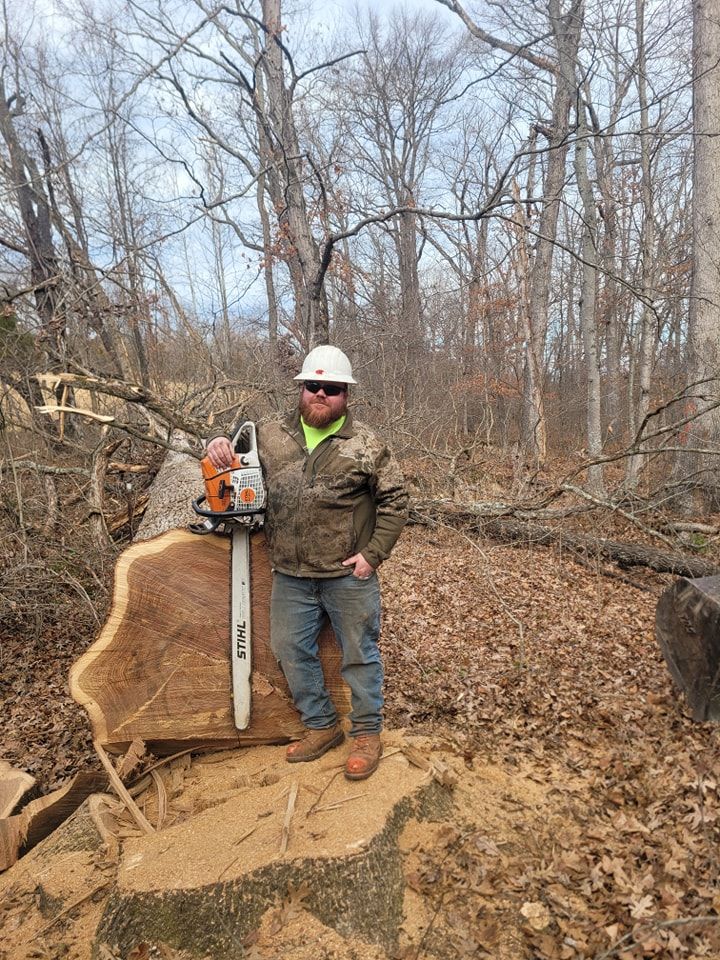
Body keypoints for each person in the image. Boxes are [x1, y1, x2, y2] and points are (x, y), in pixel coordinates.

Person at [206, 345, 408, 780]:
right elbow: (232, 458)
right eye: (313, 386)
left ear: (346, 395)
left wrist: (372, 556)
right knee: (289, 649)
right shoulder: (269, 434)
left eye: (331, 388)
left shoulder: (366, 444)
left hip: (347, 575)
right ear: (300, 388)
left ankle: (367, 733)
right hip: (291, 575)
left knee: (360, 653)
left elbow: (396, 501)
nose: (321, 394)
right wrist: (219, 442)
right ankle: (322, 727)